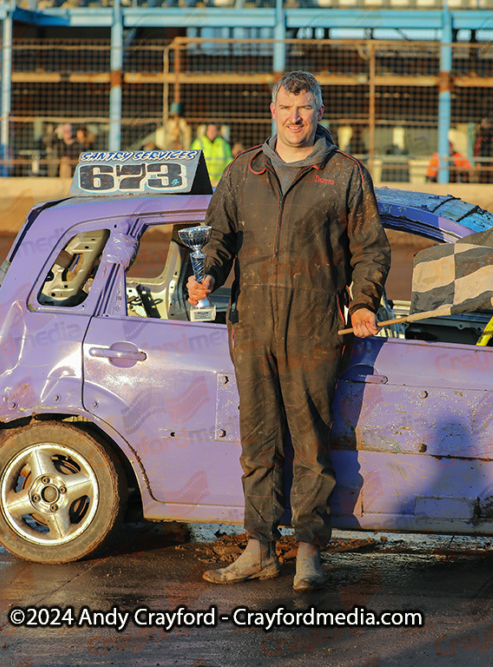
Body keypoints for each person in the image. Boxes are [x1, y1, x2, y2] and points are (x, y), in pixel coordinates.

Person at [187, 71, 390, 592]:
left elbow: (370, 249)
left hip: (316, 329)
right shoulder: (243, 172)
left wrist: (363, 303)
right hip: (252, 326)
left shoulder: (344, 175)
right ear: (271, 111)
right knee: (259, 442)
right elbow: (219, 237)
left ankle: (308, 551)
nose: (295, 118)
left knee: (310, 445)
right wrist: (206, 275)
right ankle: (259, 547)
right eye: (286, 108)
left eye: (305, 108)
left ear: (319, 112)